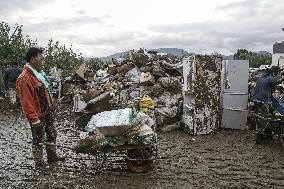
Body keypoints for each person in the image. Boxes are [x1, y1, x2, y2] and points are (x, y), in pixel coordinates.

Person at [16, 47, 65, 169]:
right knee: (38, 138)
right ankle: (39, 163)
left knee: (52, 134)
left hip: (47, 111)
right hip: (38, 116)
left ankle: (52, 156)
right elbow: (26, 102)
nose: (44, 62)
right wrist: (34, 120)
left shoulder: (39, 75)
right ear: (33, 59)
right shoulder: (25, 78)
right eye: (41, 59)